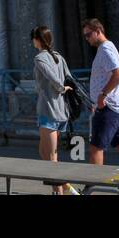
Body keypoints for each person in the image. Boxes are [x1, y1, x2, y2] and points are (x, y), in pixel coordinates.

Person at [83, 18, 119, 169]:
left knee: (96, 148)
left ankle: (92, 189)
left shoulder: (106, 49)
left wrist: (102, 95)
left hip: (108, 108)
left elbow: (118, 75)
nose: (87, 39)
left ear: (98, 31)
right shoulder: (106, 48)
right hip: (115, 108)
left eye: (88, 35)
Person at [32, 25, 78, 195]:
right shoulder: (59, 57)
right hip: (60, 112)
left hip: (49, 110)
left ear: (37, 40)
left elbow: (54, 78)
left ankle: (60, 192)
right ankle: (65, 187)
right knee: (44, 152)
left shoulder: (40, 58)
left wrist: (60, 87)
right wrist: (64, 87)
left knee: (51, 158)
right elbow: (69, 77)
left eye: (34, 38)